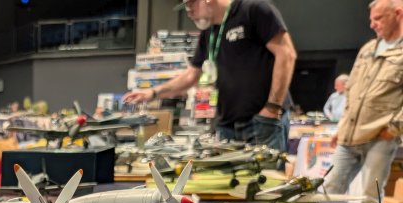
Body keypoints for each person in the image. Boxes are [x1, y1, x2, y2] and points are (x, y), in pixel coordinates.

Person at [121, 0, 297, 152]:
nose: (189, 12)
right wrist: (152, 93)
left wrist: (272, 108)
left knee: (268, 178)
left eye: (191, 4)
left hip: (262, 121)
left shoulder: (254, 9)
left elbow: (287, 55)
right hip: (228, 126)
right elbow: (191, 75)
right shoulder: (210, 32)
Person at [325, 0, 403, 198]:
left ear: (398, 14)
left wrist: (394, 128)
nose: (372, 24)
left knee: (370, 196)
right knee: (329, 189)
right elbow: (351, 90)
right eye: (371, 19)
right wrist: (342, 127)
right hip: (349, 136)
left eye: (378, 18)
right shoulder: (368, 49)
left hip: (380, 137)